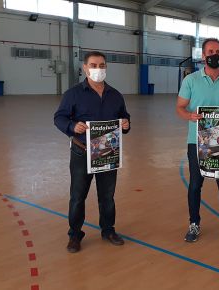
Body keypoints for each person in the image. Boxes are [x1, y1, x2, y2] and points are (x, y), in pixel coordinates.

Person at [54, 51, 131, 253]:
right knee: (78, 196)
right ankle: (75, 235)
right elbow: (59, 118)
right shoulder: (73, 94)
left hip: (107, 152)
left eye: (102, 65)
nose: (98, 69)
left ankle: (108, 230)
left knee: (107, 196)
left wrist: (125, 123)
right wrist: (72, 126)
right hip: (82, 153)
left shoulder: (115, 95)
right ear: (85, 68)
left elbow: (124, 117)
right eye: (94, 65)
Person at [176, 38, 219, 243]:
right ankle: (194, 223)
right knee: (196, 184)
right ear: (203, 55)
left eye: (218, 50)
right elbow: (180, 108)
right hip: (196, 141)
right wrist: (190, 116)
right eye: (210, 51)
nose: (214, 54)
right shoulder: (191, 80)